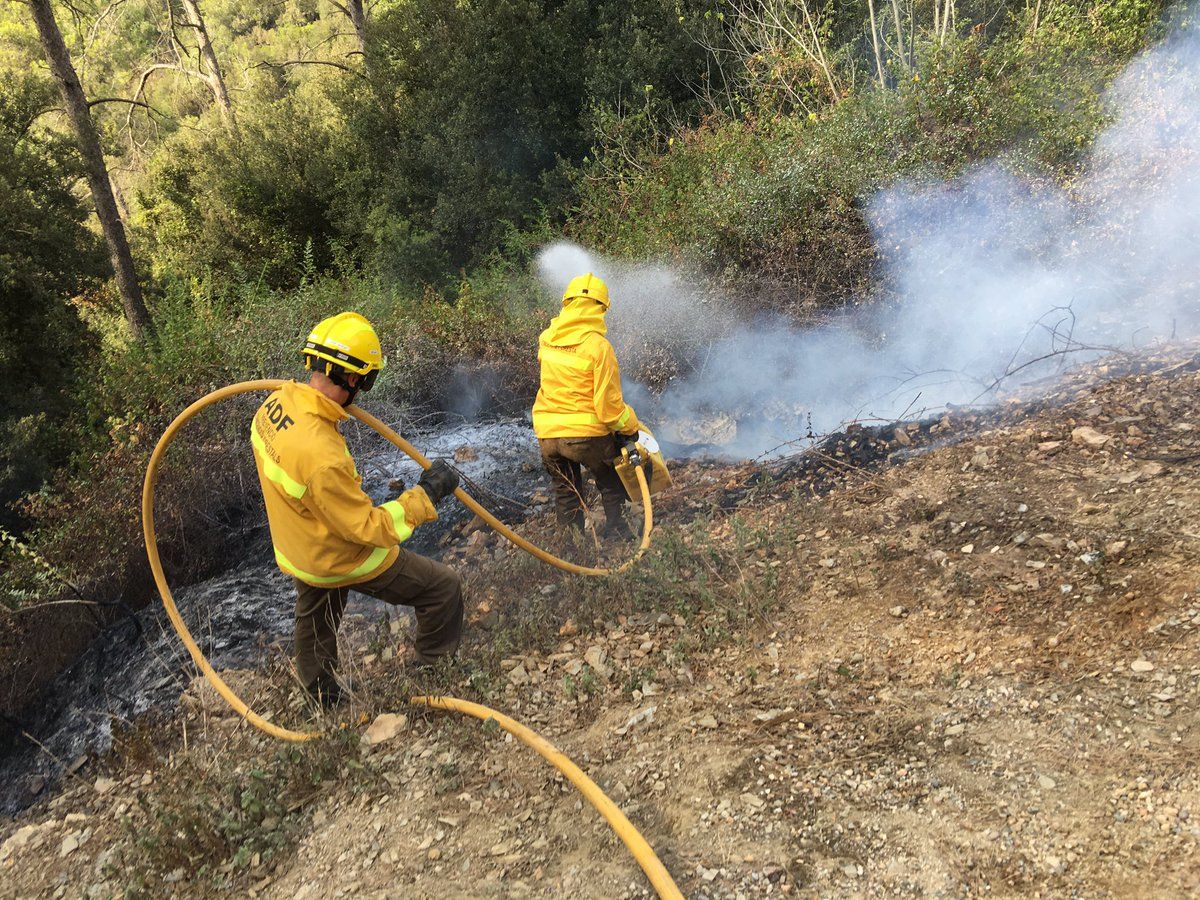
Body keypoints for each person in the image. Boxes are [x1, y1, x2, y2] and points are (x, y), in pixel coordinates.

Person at [250, 311, 463, 706]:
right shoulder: (322, 457)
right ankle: (433, 674)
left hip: (301, 547)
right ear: (352, 379)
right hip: (342, 555)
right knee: (442, 589)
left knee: (315, 617)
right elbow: (369, 528)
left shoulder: (274, 406)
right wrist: (426, 495)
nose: (363, 390)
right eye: (365, 380)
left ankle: (320, 697)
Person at [532, 273, 640, 539]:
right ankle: (618, 532)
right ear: (600, 308)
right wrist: (630, 428)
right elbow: (609, 408)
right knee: (612, 478)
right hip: (584, 437)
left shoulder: (546, 338)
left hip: (547, 434)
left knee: (566, 492)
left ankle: (572, 545)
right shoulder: (598, 347)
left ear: (567, 303)